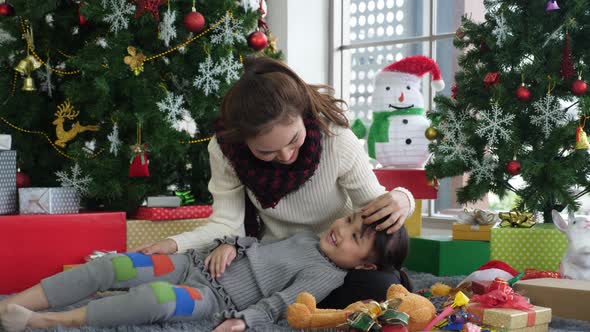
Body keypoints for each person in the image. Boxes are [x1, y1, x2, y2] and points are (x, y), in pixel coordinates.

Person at [133, 56, 416, 307]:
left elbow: (376, 209)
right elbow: (226, 225)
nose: (286, 156)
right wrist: (173, 244)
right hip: (275, 261)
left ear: (302, 114)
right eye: (266, 152)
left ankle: (288, 304)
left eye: (294, 140)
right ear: (243, 142)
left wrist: (403, 198)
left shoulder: (336, 141)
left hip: (335, 263)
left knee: (384, 285)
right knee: (219, 265)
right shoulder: (225, 151)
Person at [0, 212, 410, 332]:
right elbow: (257, 246)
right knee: (117, 265)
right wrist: (230, 244)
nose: (341, 230)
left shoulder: (327, 275)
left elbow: (280, 304)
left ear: (366, 265)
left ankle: (43, 321)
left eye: (354, 236)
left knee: (154, 301)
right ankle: (16, 303)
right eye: (350, 220)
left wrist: (241, 323)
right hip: (193, 265)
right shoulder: (307, 237)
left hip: (216, 299)